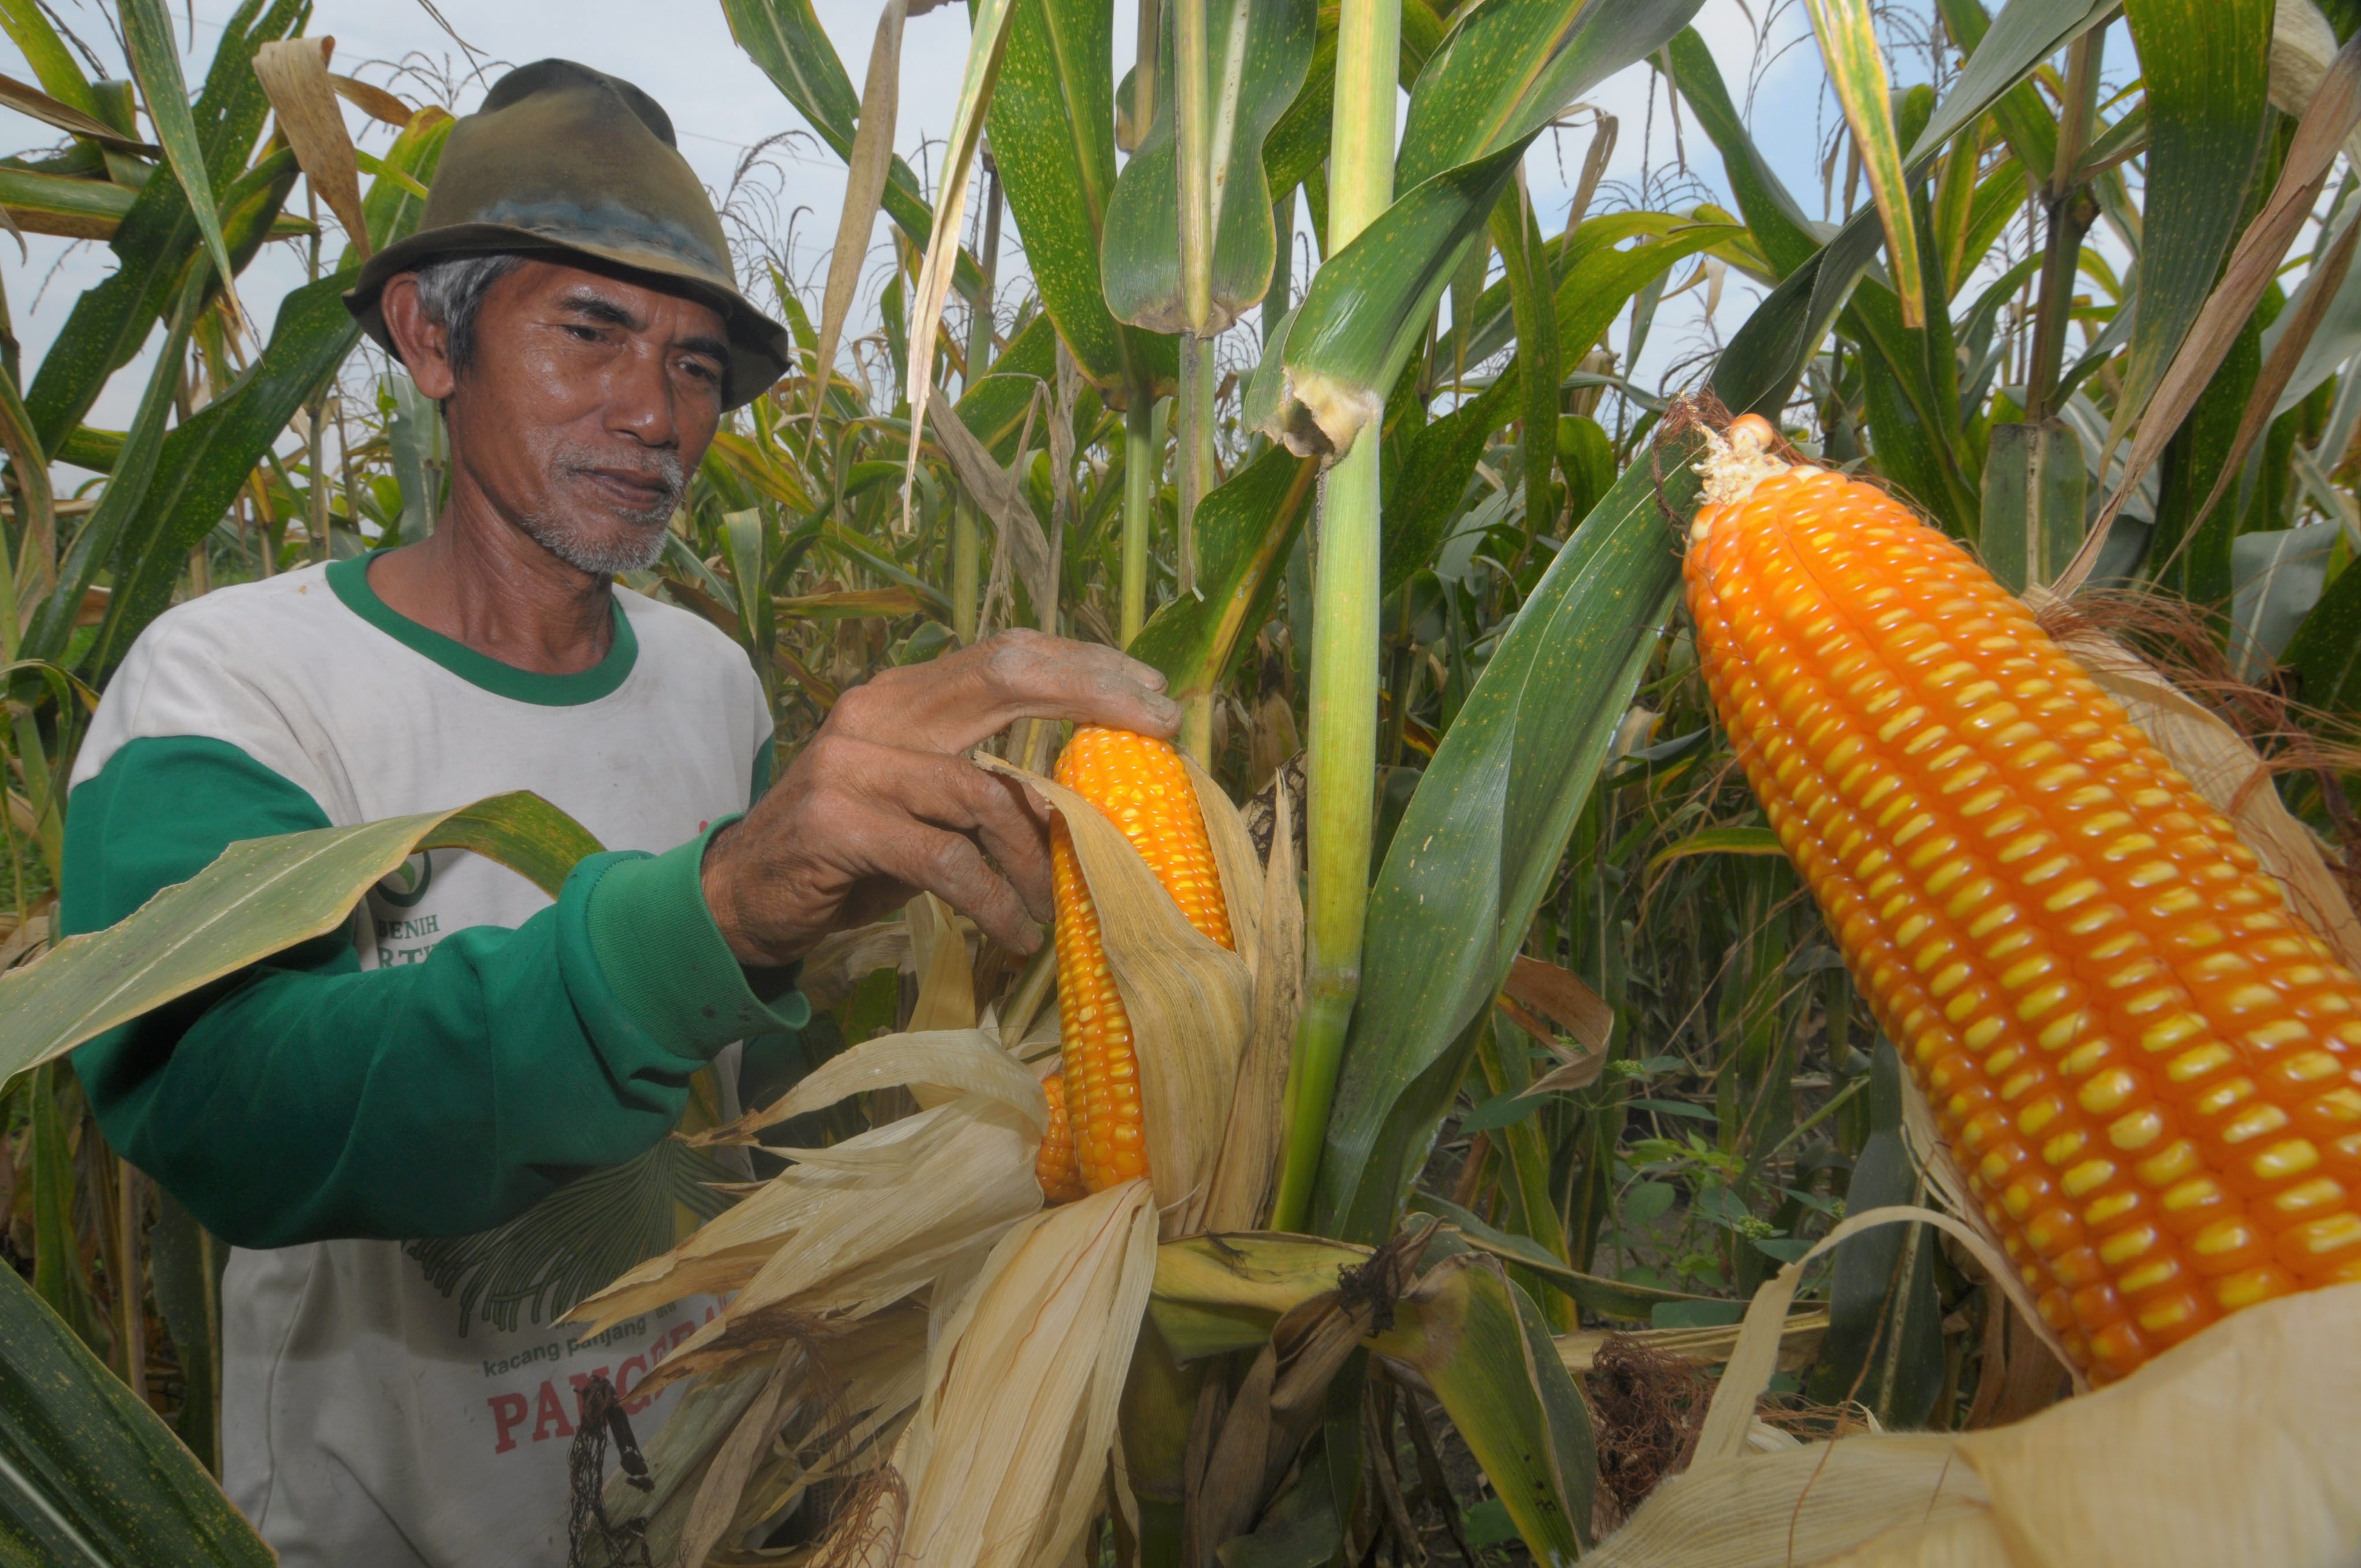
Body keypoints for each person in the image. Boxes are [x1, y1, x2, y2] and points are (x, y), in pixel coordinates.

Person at [61, 59, 1175, 1568]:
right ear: (428, 338)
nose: (656, 412)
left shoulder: (711, 685)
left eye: (699, 366)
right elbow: (214, 1093)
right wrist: (708, 915)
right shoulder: (235, 686)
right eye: (591, 333)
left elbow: (760, 1106)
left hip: (706, 1501)